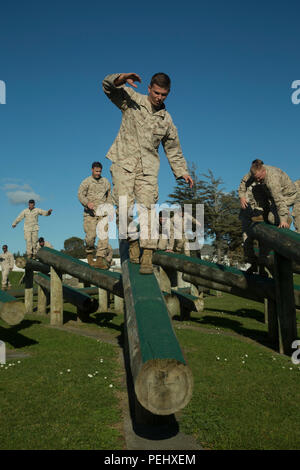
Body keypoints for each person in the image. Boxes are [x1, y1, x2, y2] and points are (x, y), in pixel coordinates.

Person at [102, 72, 193, 274]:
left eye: (164, 94)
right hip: (124, 163)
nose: (159, 97)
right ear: (149, 88)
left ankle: (148, 254)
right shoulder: (132, 99)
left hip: (148, 170)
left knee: (149, 210)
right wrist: (119, 79)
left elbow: (173, 148)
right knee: (124, 210)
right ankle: (133, 243)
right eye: (157, 92)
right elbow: (108, 88)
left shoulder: (166, 120)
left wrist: (182, 171)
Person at [78, 162, 112, 269]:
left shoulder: (106, 182)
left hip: (103, 214)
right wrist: (87, 203)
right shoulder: (86, 182)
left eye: (100, 171)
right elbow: (80, 194)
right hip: (90, 214)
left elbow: (109, 197)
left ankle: (100, 259)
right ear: (92, 170)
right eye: (96, 171)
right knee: (90, 237)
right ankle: (89, 254)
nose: (98, 173)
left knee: (103, 237)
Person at [250, 160, 300, 232]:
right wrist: (242, 195)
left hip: (288, 195)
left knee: (271, 218)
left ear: (264, 171)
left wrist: (283, 220)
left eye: (259, 177)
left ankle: (287, 219)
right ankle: (264, 211)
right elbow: (246, 179)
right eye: (256, 178)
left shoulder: (273, 182)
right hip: (275, 195)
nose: (257, 180)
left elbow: (279, 201)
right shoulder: (258, 168)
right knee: (256, 188)